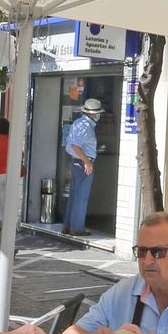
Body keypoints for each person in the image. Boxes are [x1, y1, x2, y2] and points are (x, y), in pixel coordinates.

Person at [63, 98, 102, 235]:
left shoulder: (78, 123)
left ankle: (68, 225)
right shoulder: (85, 126)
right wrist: (87, 162)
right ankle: (77, 228)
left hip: (77, 162)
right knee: (81, 197)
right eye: (97, 113)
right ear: (92, 114)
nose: (98, 116)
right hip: (82, 163)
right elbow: (75, 146)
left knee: (74, 195)